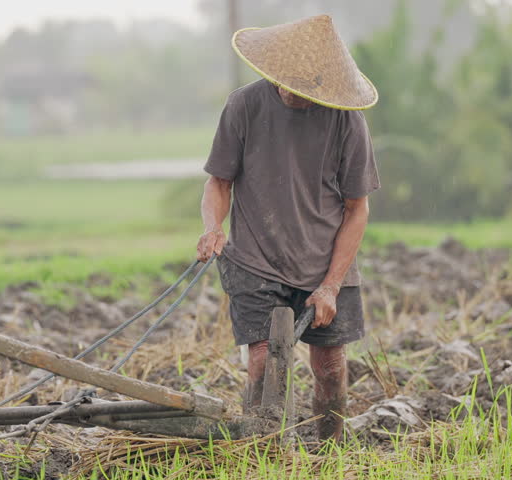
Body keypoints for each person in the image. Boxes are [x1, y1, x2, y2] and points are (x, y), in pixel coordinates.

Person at [196, 15, 380, 441]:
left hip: (324, 260)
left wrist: (331, 285)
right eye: (285, 82)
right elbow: (219, 181)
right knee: (262, 360)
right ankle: (262, 446)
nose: (291, 93)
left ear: (322, 83)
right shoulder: (244, 106)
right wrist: (212, 226)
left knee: (331, 368)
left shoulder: (346, 120)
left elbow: (357, 209)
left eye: (304, 87)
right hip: (255, 259)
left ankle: (330, 446)